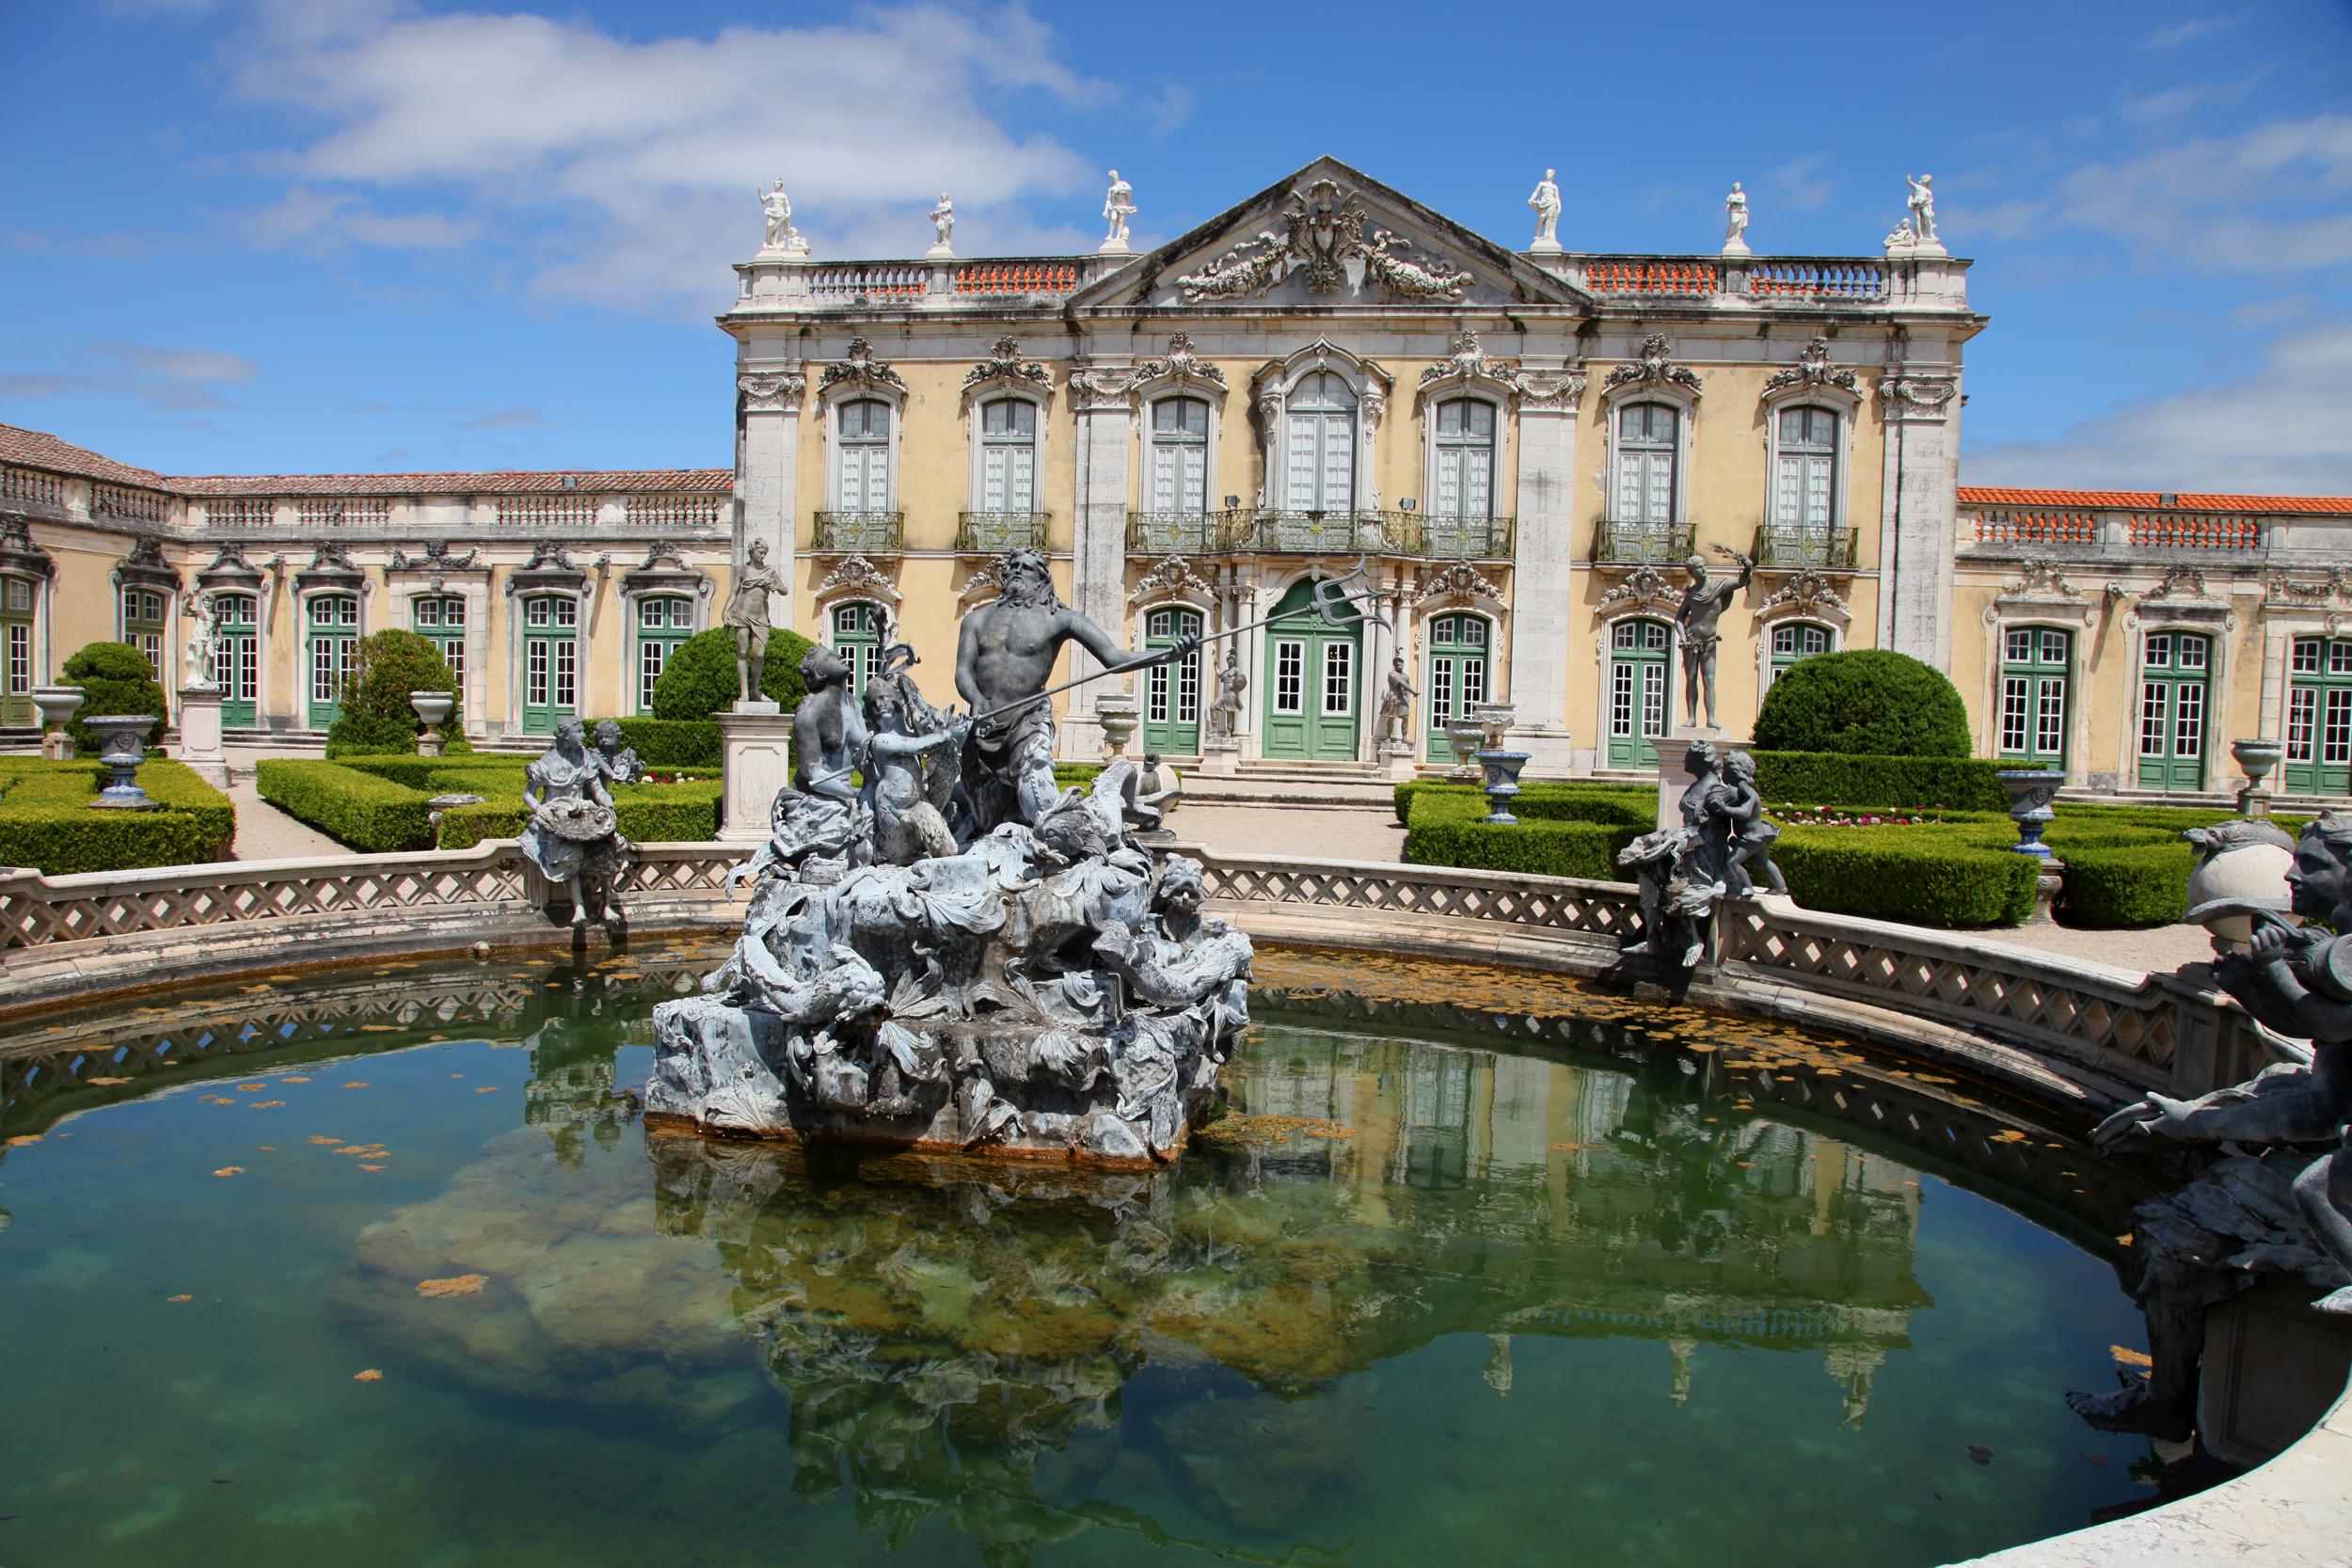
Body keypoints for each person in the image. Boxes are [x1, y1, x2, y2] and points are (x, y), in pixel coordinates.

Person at [954, 547, 1192, 833]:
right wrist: (976, 699)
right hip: (984, 726)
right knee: (985, 823)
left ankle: (1090, 833)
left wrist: (1167, 655)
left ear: (1042, 579)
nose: (1018, 570)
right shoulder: (976, 620)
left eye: (1027, 567)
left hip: (1027, 724)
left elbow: (1113, 658)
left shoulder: (1059, 618)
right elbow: (963, 671)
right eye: (1014, 565)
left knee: (1041, 807)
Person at [520, 718, 631, 927]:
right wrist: (541, 810)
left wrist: (607, 804)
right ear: (564, 736)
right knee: (572, 854)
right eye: (578, 732)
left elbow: (597, 789)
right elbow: (528, 795)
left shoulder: (585, 758)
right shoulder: (545, 764)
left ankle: (606, 905)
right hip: (556, 820)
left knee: (612, 850)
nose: (583, 736)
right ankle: (578, 908)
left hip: (584, 818)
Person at [1676, 546, 1755, 730]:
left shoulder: (1718, 586)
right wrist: (1682, 636)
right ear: (1692, 573)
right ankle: (1691, 718)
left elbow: (1741, 582)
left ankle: (1711, 718)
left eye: (1704, 566)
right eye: (1699, 568)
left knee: (1709, 679)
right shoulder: (1692, 594)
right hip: (1691, 639)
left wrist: (1748, 567)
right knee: (1691, 678)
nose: (1703, 570)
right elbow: (1679, 617)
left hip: (1709, 641)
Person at [723, 539, 788, 705]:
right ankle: (744, 693)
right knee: (743, 654)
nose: (763, 555)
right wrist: (725, 611)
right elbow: (733, 594)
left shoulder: (769, 571)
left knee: (759, 654)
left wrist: (774, 586)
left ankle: (755, 689)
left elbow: (784, 590)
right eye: (760, 552)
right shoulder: (743, 571)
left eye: (765, 553)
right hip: (742, 615)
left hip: (760, 617)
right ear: (752, 552)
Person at [591, 720, 643, 785]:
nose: (603, 740)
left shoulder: (618, 757)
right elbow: (609, 772)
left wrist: (631, 762)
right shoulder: (593, 754)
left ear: (617, 738)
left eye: (607, 737)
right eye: (600, 737)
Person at [1527, 168, 1562, 247]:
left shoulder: (1554, 187)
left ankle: (1546, 233)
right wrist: (1532, 199)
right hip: (1543, 203)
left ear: (1552, 175)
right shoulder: (1542, 184)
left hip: (1552, 202)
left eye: (1549, 173)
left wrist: (1559, 206)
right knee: (1542, 217)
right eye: (1547, 173)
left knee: (1550, 217)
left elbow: (1557, 198)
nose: (1548, 175)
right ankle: (1538, 233)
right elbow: (1536, 192)